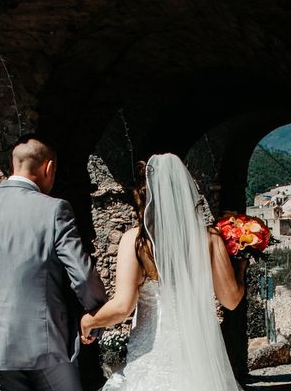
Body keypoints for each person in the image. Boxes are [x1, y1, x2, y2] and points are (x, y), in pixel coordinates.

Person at [0, 135, 107, 391]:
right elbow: (81, 273)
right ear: (49, 168)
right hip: (45, 344)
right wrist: (96, 314)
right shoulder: (54, 210)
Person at [80, 153, 247, 390]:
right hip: (199, 357)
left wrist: (89, 320)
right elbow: (231, 300)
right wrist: (241, 266)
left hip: (153, 356)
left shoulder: (136, 241)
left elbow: (122, 307)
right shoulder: (209, 239)